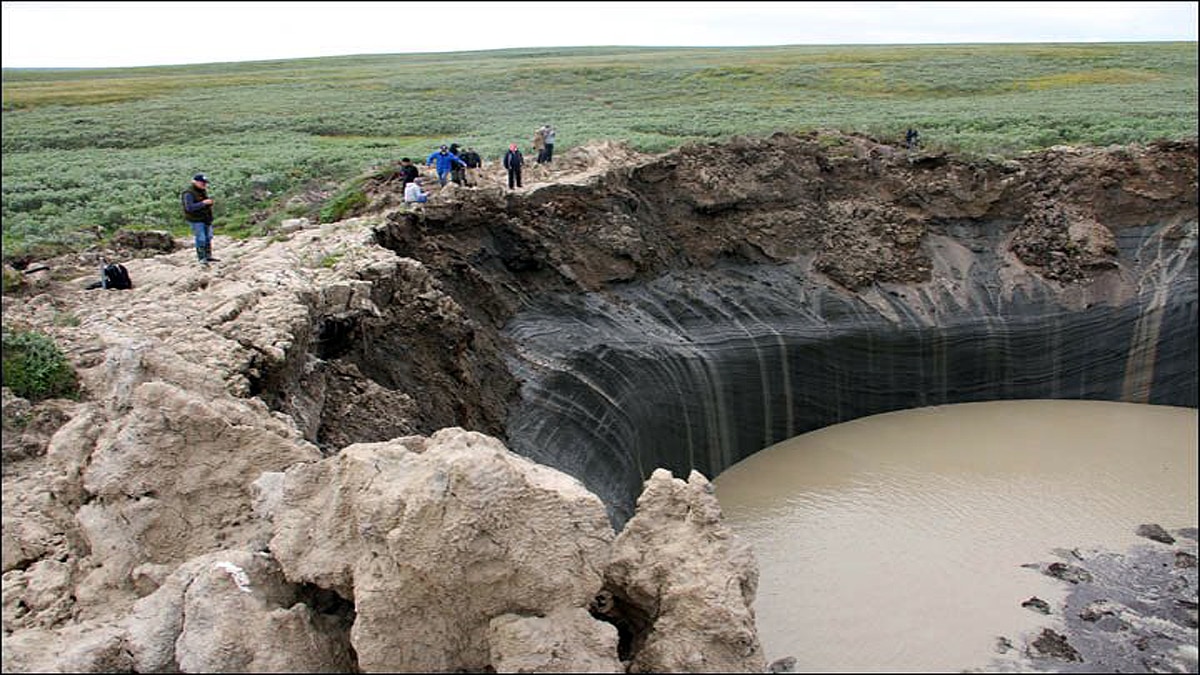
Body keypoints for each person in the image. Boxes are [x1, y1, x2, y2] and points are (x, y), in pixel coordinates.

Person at [181, 173, 217, 263]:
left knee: (208, 237)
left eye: (205, 183)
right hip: (196, 219)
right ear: (195, 182)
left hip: (206, 218)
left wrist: (209, 203)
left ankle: (208, 256)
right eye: (202, 183)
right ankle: (201, 258)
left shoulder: (202, 191)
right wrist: (203, 203)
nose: (204, 184)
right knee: (201, 238)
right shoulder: (188, 193)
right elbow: (189, 207)